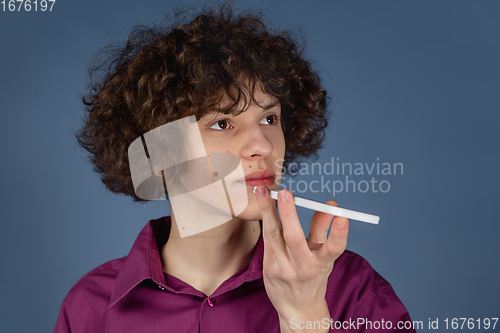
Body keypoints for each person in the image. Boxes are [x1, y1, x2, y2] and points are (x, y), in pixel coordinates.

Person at [54, 3, 416, 333]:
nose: (263, 145)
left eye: (270, 118)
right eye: (222, 123)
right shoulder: (90, 307)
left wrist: (304, 315)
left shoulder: (354, 292)